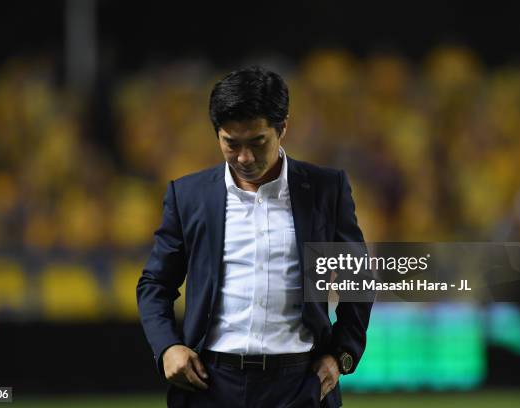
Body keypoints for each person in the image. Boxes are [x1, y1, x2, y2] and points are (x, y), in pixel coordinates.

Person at [137, 66, 373, 407]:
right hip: (210, 385)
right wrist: (167, 348)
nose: (244, 158)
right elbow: (154, 285)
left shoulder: (325, 190)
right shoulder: (188, 196)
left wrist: (342, 356)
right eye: (230, 144)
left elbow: (358, 278)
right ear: (216, 134)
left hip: (299, 385)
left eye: (257, 142)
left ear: (283, 128)